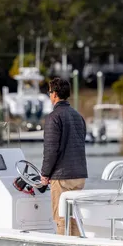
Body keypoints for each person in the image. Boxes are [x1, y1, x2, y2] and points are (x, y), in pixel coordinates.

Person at [40, 76, 88, 236]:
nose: (49, 95)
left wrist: (45, 174)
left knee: (61, 218)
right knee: (74, 217)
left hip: (62, 178)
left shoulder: (53, 117)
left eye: (49, 92)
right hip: (79, 175)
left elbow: (51, 150)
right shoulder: (78, 116)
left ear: (54, 94)